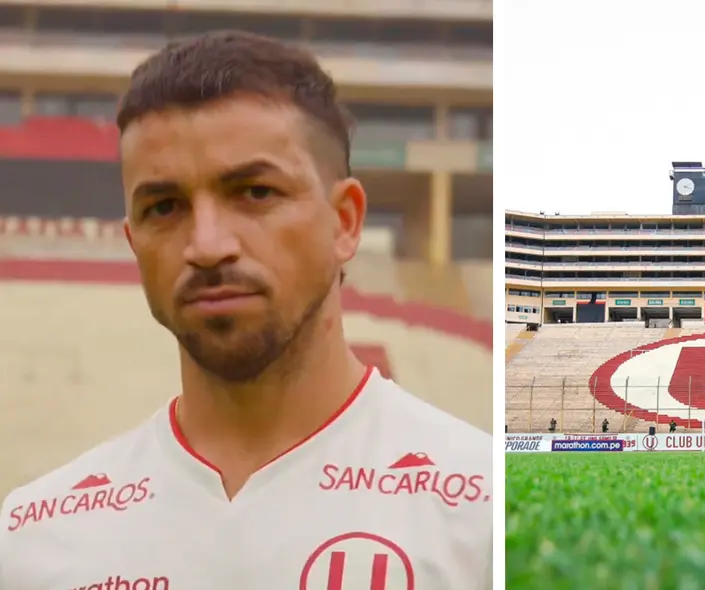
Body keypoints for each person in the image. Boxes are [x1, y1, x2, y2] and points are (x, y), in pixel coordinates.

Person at [0, 31, 492, 590]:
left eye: (255, 193)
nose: (207, 245)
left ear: (346, 222)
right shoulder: (32, 540)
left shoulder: (488, 512)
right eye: (165, 206)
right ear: (134, 243)